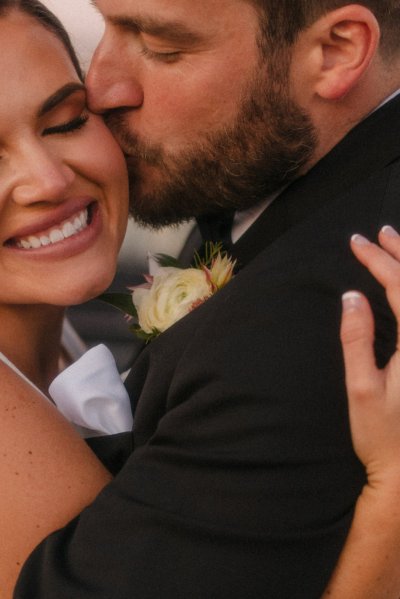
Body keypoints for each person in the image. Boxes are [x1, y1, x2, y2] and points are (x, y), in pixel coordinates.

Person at [1, 0, 400, 597]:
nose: (103, 85)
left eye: (65, 120)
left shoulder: (305, 320)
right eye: (107, 26)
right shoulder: (249, 181)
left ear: (338, 49)